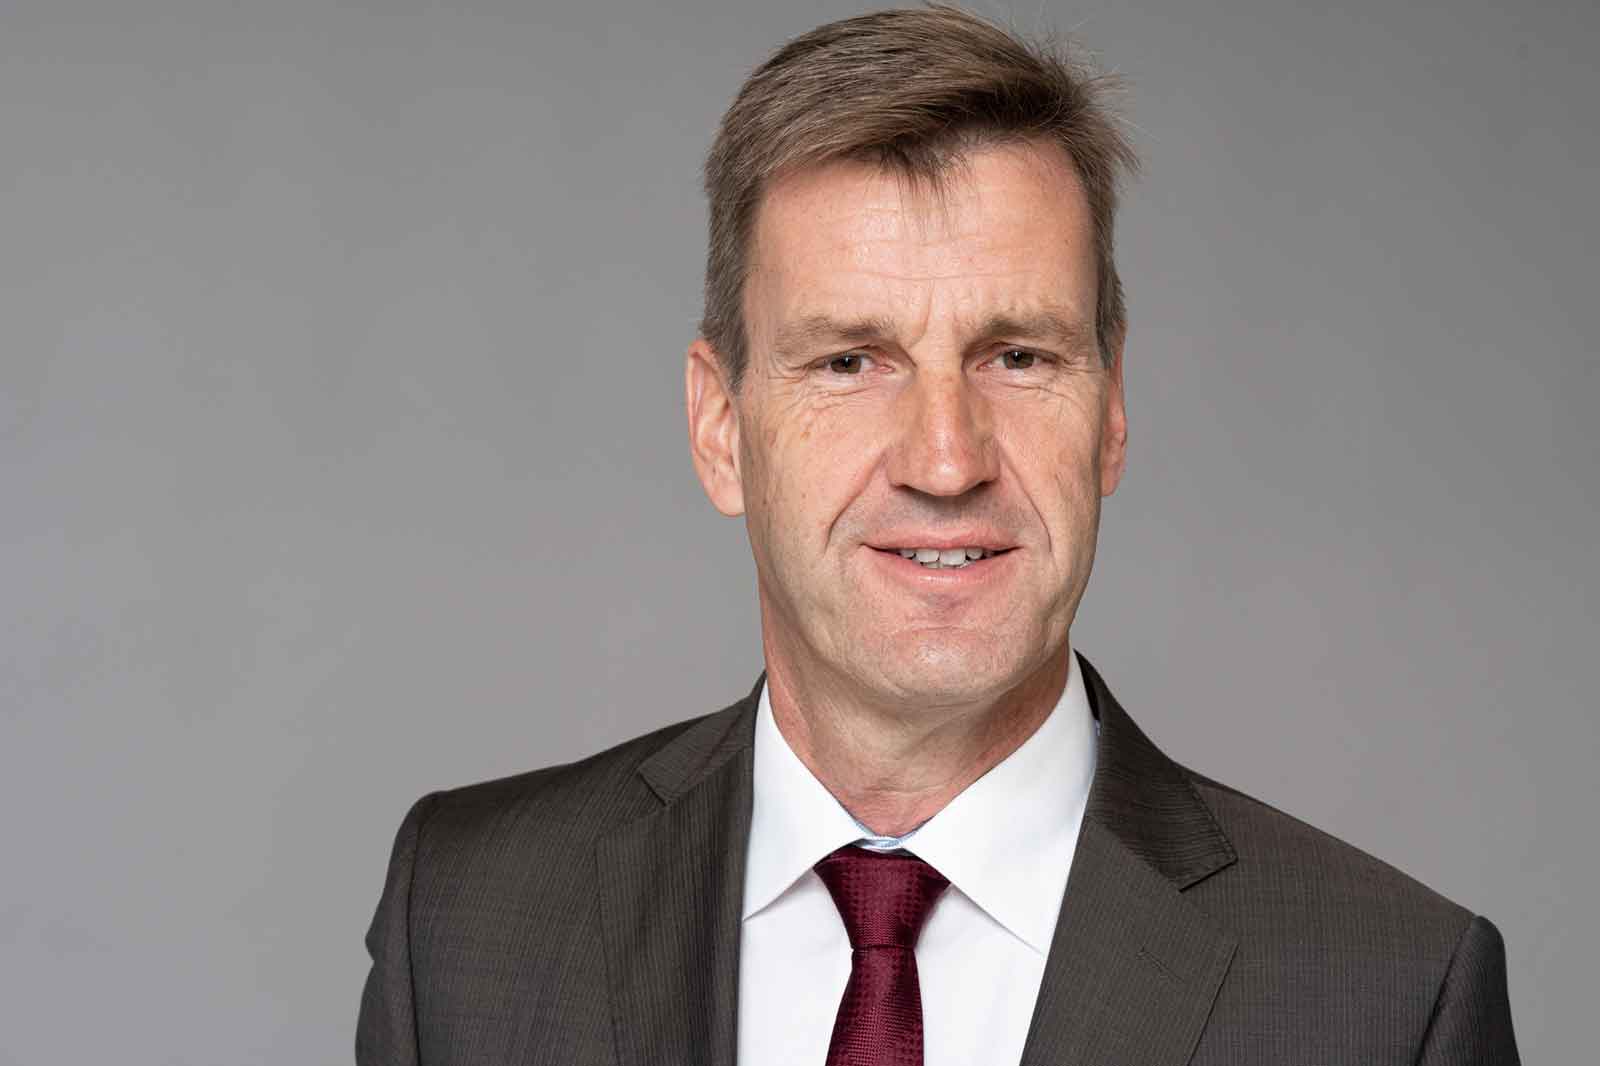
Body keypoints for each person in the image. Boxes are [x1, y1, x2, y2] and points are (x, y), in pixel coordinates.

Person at [355, 7, 1520, 1064]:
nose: (947, 460)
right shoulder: (463, 919)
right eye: (850, 361)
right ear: (720, 427)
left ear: (1110, 410)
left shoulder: (1387, 995)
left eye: (1018, 356)